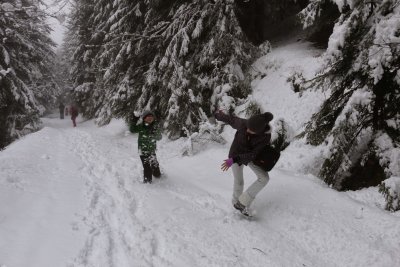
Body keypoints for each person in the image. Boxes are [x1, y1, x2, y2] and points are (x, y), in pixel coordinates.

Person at [215, 110, 273, 216]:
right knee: (239, 181)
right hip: (235, 153)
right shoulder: (243, 124)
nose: (248, 130)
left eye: (252, 130)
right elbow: (230, 119)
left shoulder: (265, 137)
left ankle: (242, 202)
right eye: (248, 128)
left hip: (250, 157)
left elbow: (253, 154)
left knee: (264, 178)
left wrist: (234, 160)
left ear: (259, 131)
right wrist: (217, 115)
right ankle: (237, 205)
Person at [130, 110, 162, 184]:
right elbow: (132, 130)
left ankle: (158, 176)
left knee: (155, 165)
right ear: (144, 119)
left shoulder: (155, 126)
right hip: (143, 151)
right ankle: (147, 182)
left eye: (151, 118)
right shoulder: (141, 126)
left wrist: (155, 133)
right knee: (147, 167)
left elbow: (159, 137)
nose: (150, 119)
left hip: (151, 150)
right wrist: (134, 120)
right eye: (148, 118)